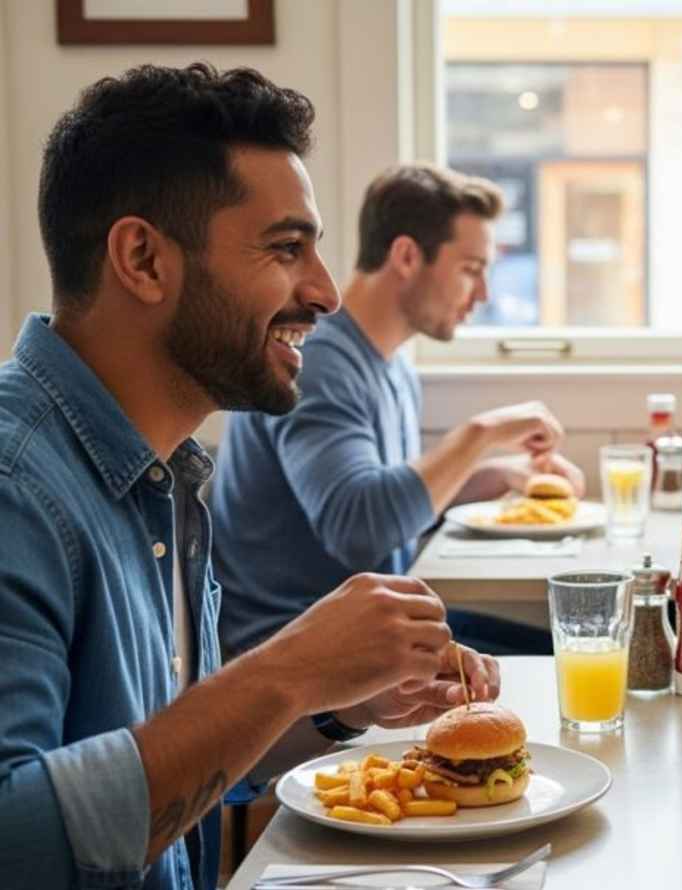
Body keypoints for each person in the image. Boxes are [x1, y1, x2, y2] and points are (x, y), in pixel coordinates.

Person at [0, 64, 499, 890]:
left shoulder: (168, 479)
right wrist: (287, 669)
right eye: (285, 249)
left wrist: (336, 705)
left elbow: (171, 767)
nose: (328, 293)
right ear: (143, 260)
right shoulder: (17, 487)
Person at [211, 164, 583, 658]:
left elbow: (392, 506)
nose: (484, 294)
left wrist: (497, 477)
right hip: (299, 653)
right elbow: (360, 529)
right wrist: (479, 435)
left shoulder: (391, 363)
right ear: (407, 256)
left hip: (374, 627)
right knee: (574, 654)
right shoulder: (318, 361)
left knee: (578, 644)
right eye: (471, 269)